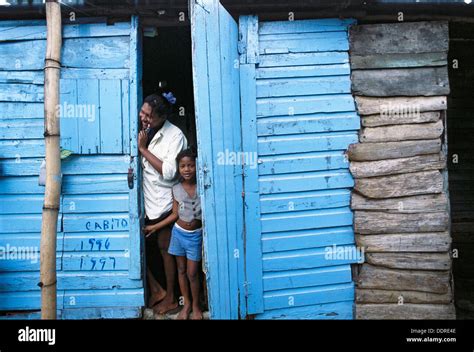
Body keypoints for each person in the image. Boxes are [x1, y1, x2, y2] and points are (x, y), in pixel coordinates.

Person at [138, 92, 187, 314]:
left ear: (161, 117)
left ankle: (171, 298)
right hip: (149, 204)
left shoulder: (174, 136)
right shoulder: (147, 131)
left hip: (166, 204)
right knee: (150, 250)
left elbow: (169, 172)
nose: (144, 117)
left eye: (149, 115)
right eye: (143, 112)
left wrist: (143, 150)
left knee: (167, 254)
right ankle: (159, 291)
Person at [144, 148, 203, 320]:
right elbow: (175, 214)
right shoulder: (176, 188)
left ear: (196, 166)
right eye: (183, 166)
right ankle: (187, 306)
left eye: (191, 165)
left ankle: (197, 306)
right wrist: (154, 227)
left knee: (193, 273)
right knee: (181, 270)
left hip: (195, 236)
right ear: (178, 168)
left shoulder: (203, 185)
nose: (187, 169)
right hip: (178, 234)